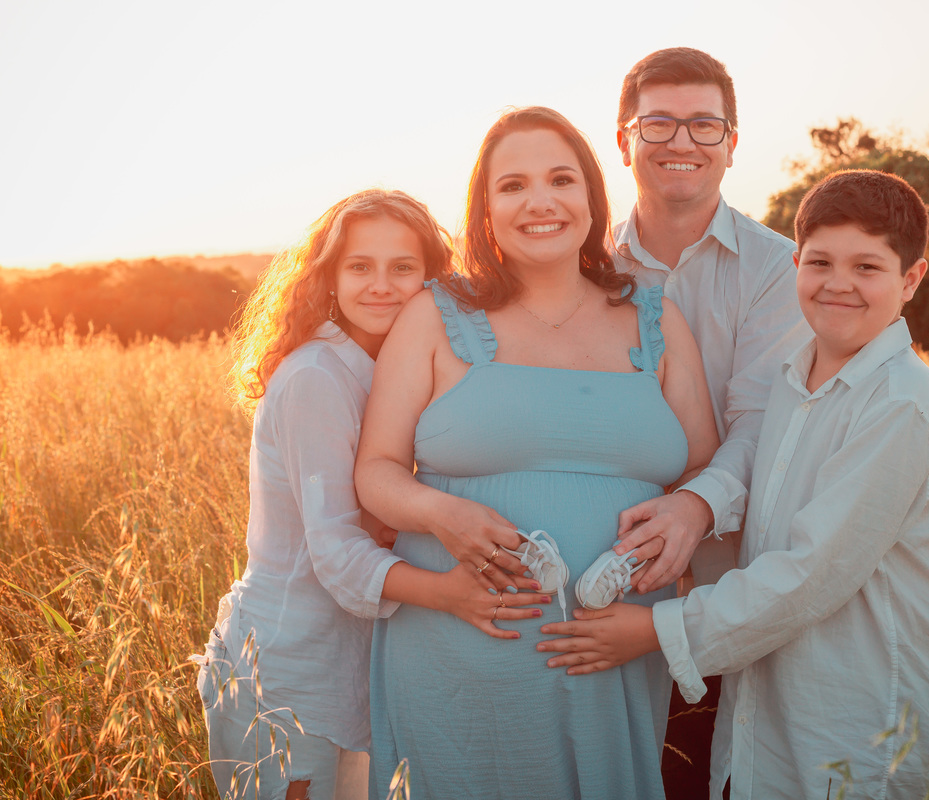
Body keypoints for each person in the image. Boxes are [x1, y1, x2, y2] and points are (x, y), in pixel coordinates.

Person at [541, 170, 929, 798]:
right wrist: (688, 507)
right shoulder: (794, 380)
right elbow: (757, 495)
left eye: (867, 267)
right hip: (776, 708)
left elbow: (810, 574)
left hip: (867, 724)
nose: (839, 284)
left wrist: (653, 632)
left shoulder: (899, 403)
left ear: (911, 279)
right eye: (820, 262)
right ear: (795, 264)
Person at [354, 107, 720, 799]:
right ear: (486, 210)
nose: (540, 202)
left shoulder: (656, 317)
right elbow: (376, 471)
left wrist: (686, 521)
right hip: (456, 657)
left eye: (560, 179)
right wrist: (440, 515)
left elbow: (706, 467)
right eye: (513, 186)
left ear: (592, 197)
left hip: (612, 656)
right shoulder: (435, 314)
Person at [193, 189, 546, 800]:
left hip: (353, 661)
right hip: (288, 670)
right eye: (360, 266)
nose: (381, 286)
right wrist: (450, 594)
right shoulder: (317, 377)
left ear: (433, 279)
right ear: (329, 277)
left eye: (402, 267)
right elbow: (333, 550)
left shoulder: (394, 367)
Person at [602, 47, 813, 795]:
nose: (681, 141)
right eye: (657, 123)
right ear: (624, 140)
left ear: (732, 142)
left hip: (724, 587)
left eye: (703, 124)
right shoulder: (585, 264)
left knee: (695, 773)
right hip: (596, 574)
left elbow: (764, 421)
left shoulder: (779, 269)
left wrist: (695, 507)